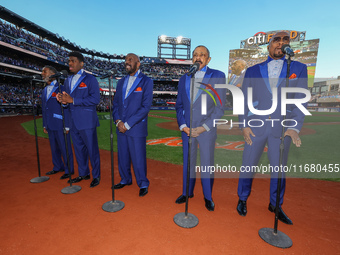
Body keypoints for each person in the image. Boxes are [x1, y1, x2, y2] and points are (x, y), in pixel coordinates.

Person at [236, 31, 308, 225]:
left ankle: (275, 205)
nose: (281, 43)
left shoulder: (299, 68)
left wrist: (294, 127)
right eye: (277, 40)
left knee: (278, 170)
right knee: (248, 165)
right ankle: (242, 199)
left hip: (282, 129)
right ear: (269, 45)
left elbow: (301, 100)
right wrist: (243, 125)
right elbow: (244, 101)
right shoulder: (252, 70)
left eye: (286, 40)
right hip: (256, 127)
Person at [175, 45, 226, 211]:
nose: (198, 57)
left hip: (206, 131)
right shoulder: (184, 78)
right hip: (187, 131)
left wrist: (204, 128)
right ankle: (187, 192)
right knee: (188, 163)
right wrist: (183, 126)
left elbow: (219, 108)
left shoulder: (218, 76)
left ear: (208, 59)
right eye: (195, 55)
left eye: (202, 55)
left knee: (207, 164)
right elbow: (179, 106)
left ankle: (207, 197)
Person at [57, 51, 101, 188]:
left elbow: (95, 99)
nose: (70, 63)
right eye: (69, 61)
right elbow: (67, 102)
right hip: (73, 121)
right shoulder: (67, 80)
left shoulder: (90, 79)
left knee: (92, 150)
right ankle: (83, 173)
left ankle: (96, 176)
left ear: (81, 64)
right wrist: (63, 101)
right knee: (78, 150)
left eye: (73, 61)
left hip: (87, 121)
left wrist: (73, 100)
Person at [112, 53, 153, 197]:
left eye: (130, 60)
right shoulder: (121, 82)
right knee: (122, 156)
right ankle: (125, 179)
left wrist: (127, 124)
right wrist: (118, 121)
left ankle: (143, 183)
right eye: (126, 60)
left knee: (138, 158)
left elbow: (145, 107)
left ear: (138, 63)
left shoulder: (146, 81)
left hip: (136, 128)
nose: (126, 62)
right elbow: (116, 104)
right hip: (120, 126)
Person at [41, 65, 74, 179]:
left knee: (65, 148)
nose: (42, 74)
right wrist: (45, 124)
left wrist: (68, 125)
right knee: (54, 148)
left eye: (44, 72)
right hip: (50, 124)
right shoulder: (44, 90)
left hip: (61, 124)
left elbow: (68, 107)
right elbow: (44, 108)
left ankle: (69, 169)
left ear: (52, 74)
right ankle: (57, 167)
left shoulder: (62, 88)